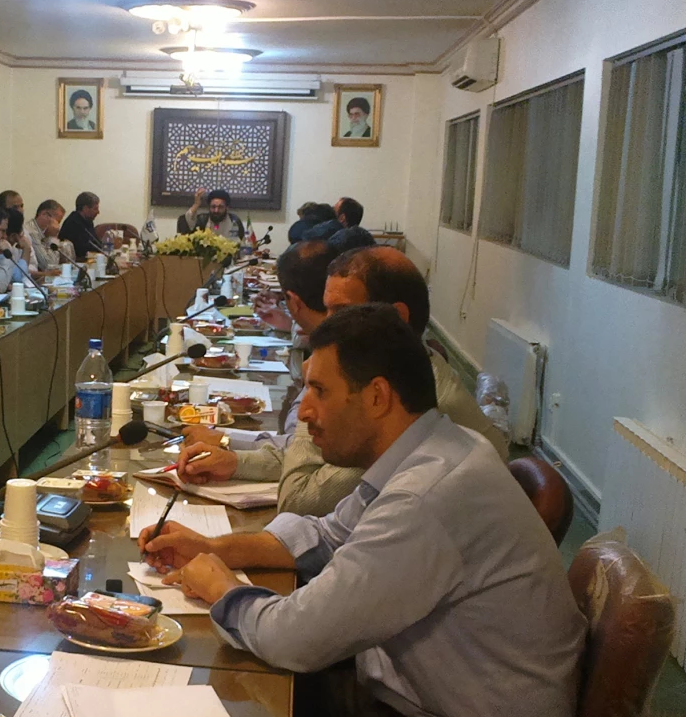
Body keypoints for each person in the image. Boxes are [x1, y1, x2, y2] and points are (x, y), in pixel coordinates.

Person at [141, 303, 585, 717]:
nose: (304, 412)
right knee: (251, 709)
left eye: (319, 391)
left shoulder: (428, 495)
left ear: (377, 396)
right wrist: (213, 548)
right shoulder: (433, 448)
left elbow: (295, 638)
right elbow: (328, 535)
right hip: (428, 702)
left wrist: (222, 589)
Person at [175, 240, 362, 517]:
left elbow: (300, 494)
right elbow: (300, 450)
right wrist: (231, 454)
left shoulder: (363, 378)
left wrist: (312, 392)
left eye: (340, 311)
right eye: (328, 310)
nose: (332, 322)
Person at [324, 246, 509, 460]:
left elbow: (304, 483)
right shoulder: (392, 372)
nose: (326, 326)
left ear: (397, 318)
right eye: (327, 310)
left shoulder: (421, 406)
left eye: (342, 312)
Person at [178, 188, 246, 241]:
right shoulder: (202, 219)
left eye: (220, 207)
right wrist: (196, 204)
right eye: (213, 207)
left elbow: (241, 243)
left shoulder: (234, 221)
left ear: (227, 208)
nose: (216, 210)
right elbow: (187, 221)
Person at [56, 191, 102, 261]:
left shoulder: (88, 221)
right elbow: (81, 251)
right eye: (95, 209)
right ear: (85, 208)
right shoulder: (72, 223)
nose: (98, 212)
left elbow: (95, 244)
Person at [25, 199, 66, 270]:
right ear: (44, 214)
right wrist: (53, 237)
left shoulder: (45, 232)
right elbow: (48, 265)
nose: (58, 226)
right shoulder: (31, 232)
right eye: (57, 221)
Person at [3, 208, 38, 277]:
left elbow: (32, 266)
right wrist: (27, 249)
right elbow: (18, 276)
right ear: (13, 236)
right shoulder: (0, 247)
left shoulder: (16, 245)